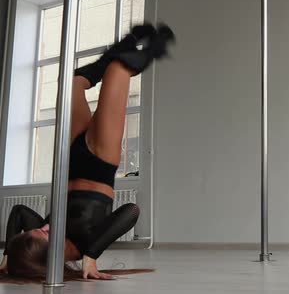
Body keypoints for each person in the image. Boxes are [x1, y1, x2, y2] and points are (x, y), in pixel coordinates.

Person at [0, 23, 174, 280]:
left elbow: (18, 213)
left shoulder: (42, 235)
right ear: (54, 257)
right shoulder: (86, 243)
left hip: (72, 157)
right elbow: (131, 212)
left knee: (72, 84)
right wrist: (91, 256)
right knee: (118, 69)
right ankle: (154, 48)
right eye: (45, 233)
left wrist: (8, 256)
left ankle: (127, 43)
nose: (45, 226)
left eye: (35, 230)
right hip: (98, 160)